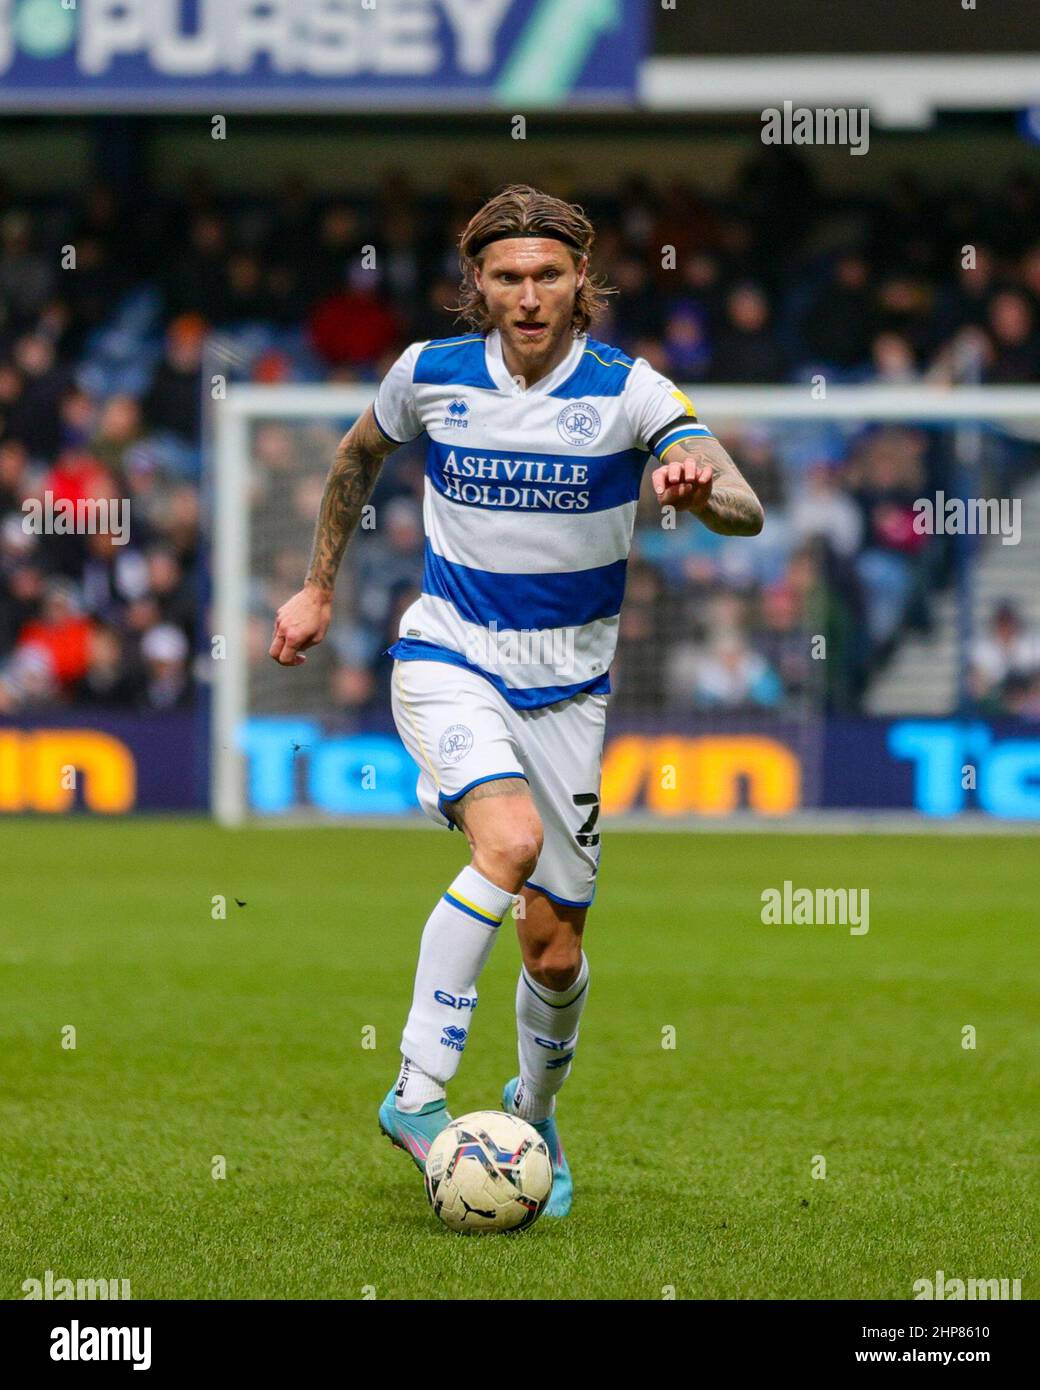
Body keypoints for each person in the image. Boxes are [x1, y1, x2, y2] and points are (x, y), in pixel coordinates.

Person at [268, 185, 764, 1217]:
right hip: (448, 654)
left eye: (546, 275)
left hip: (568, 695)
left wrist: (693, 487)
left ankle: (532, 1111)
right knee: (505, 841)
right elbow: (359, 451)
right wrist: (317, 587)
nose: (528, 294)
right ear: (477, 286)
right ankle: (414, 1090)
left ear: (581, 279)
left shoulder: (632, 392)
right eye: (506, 276)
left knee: (556, 946)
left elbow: (744, 509)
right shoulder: (429, 374)